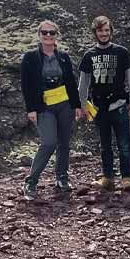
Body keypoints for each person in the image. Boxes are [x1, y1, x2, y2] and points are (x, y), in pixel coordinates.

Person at [20, 20, 83, 200]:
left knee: (64, 142)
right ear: (39, 35)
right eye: (45, 33)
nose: (48, 36)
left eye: (52, 32)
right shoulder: (30, 57)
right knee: (48, 142)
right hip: (43, 106)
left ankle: (62, 178)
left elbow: (71, 81)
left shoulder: (63, 56)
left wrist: (77, 105)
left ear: (57, 35)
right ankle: (31, 181)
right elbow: (26, 85)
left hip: (65, 104)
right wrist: (31, 109)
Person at [78, 15, 130, 192]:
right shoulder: (89, 55)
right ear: (95, 33)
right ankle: (108, 178)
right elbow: (83, 82)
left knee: (124, 144)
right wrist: (81, 104)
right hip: (98, 107)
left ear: (111, 31)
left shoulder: (122, 52)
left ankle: (127, 178)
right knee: (105, 145)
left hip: (119, 105)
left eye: (107, 30)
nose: (104, 34)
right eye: (100, 30)